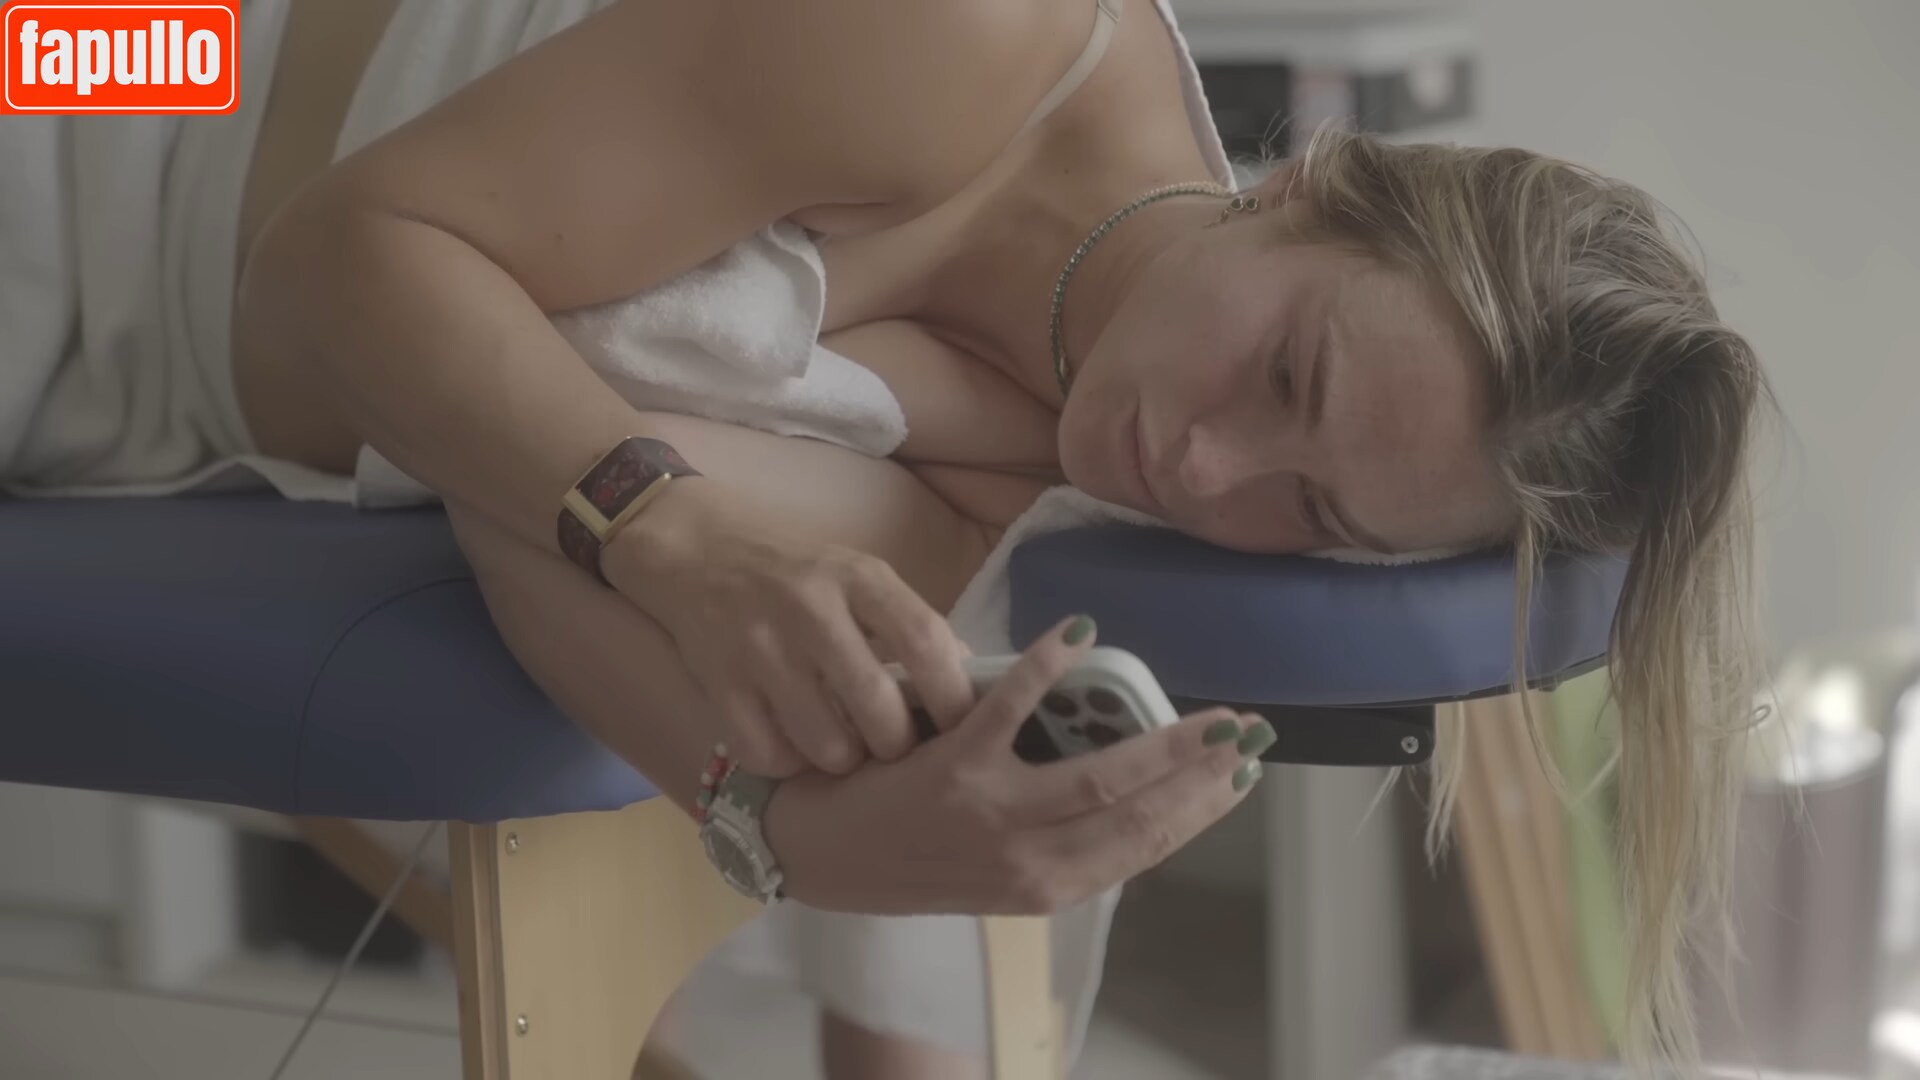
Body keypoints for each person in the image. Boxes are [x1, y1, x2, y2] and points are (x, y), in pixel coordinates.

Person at [1, 0, 1771, 1075]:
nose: (1199, 460)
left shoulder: (1011, 497)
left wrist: (813, 839)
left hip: (108, 401)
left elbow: (529, 528)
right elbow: (338, 263)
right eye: (1286, 368)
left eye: (1308, 510)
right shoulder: (964, 40)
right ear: (1309, 176)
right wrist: (670, 532)